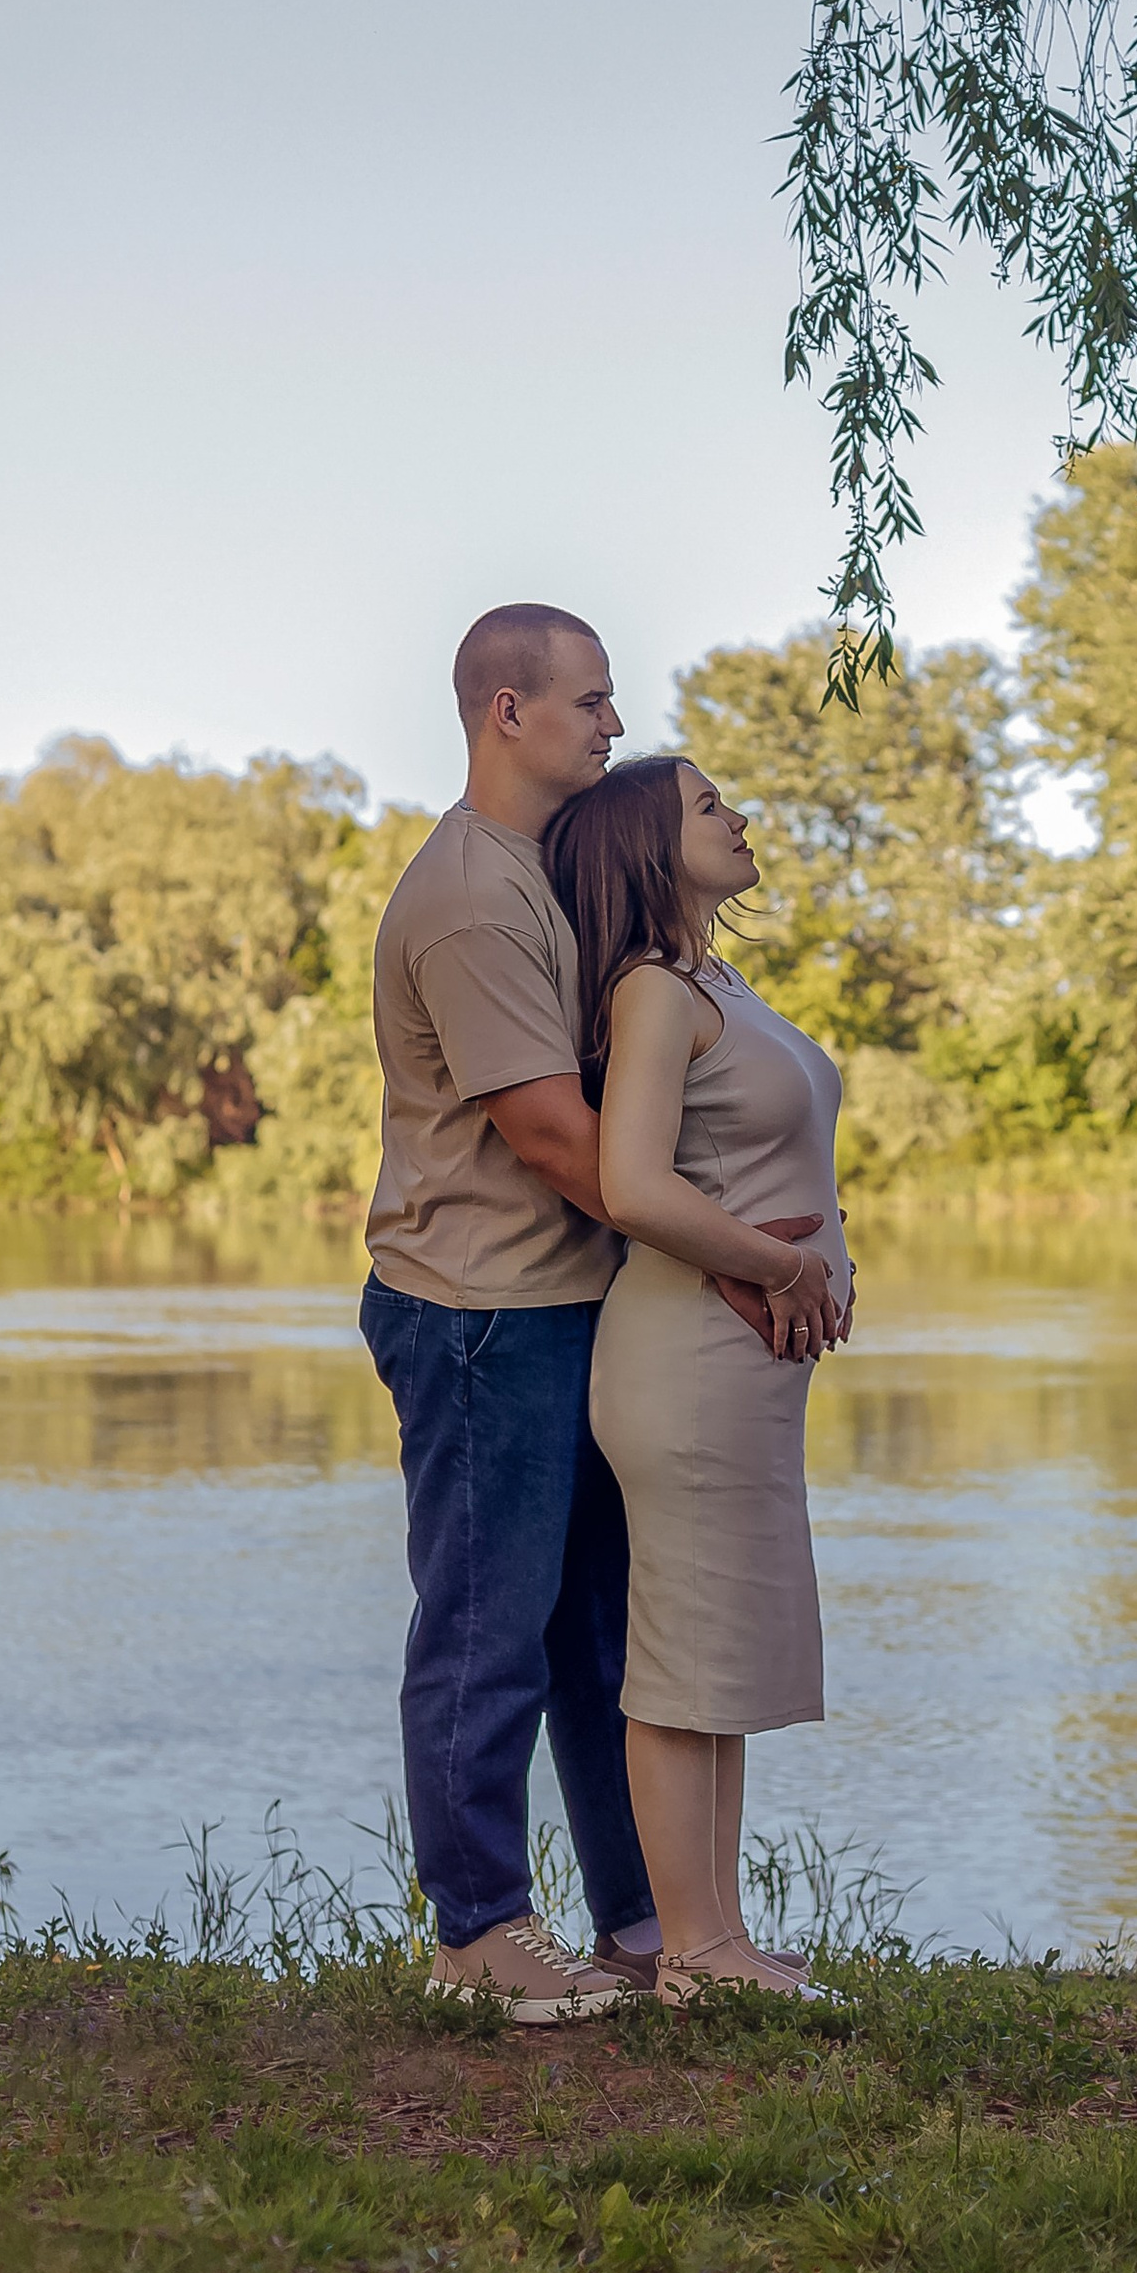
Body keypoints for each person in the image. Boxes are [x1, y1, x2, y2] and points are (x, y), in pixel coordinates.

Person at [356, 601, 658, 2024]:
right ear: (508, 713)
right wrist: (731, 1258)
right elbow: (548, 1135)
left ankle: (644, 1926)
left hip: (565, 1299)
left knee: (601, 1638)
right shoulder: (472, 897)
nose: (614, 723)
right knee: (488, 1633)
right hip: (481, 1314)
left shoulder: (549, 870)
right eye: (591, 700)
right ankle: (478, 1933)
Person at [543, 753, 853, 2004]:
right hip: (685, 1361)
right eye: (709, 807)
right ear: (647, 850)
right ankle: (692, 1955)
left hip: (742, 1371)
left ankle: (717, 1938)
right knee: (682, 1659)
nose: (739, 817)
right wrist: (781, 1269)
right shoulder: (651, 994)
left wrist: (817, 1258)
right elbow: (633, 1186)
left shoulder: (714, 980)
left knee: (717, 1655)